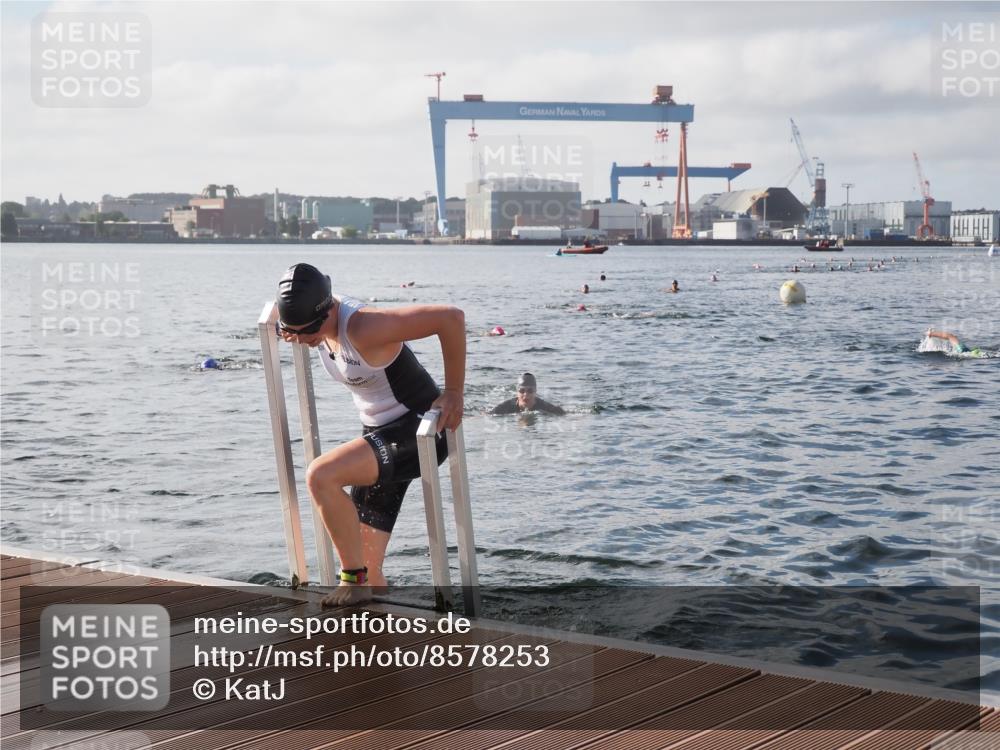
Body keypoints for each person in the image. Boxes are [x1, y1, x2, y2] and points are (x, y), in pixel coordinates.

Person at [275, 263, 465, 606]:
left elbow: (450, 318)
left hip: (420, 430)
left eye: (307, 333)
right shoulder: (309, 323)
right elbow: (292, 316)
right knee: (369, 565)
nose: (301, 342)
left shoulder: (365, 327)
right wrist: (287, 327)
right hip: (382, 435)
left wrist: (453, 391)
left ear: (328, 310)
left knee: (321, 476)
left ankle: (352, 581)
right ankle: (372, 640)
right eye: (292, 333)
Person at [490, 372, 566, 416]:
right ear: (517, 392)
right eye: (522, 391)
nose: (526, 395)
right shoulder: (504, 407)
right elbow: (487, 415)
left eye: (530, 391)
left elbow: (564, 414)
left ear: (535, 391)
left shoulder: (545, 407)